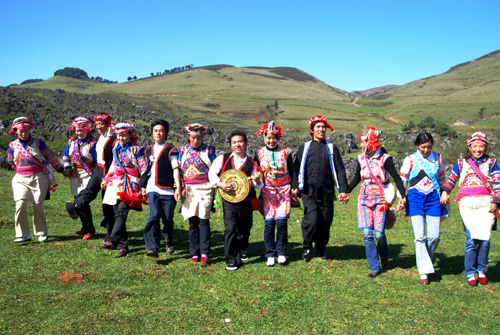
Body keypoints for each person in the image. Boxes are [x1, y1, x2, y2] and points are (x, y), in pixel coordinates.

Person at [441, 132, 500, 286]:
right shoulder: (462, 163)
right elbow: (451, 180)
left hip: (486, 204)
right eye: (475, 146)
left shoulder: (492, 163)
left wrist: (496, 201)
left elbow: (497, 183)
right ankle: (470, 273)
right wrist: (445, 191)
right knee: (471, 240)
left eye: (481, 146)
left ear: (485, 147)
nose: (478, 149)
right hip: (467, 204)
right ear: (470, 147)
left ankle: (481, 270)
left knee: (485, 240)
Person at [347, 126, 406, 278]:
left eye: (364, 142)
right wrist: (345, 191)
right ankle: (374, 266)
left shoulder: (386, 159)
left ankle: (384, 254)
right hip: (364, 199)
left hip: (381, 200)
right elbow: (356, 178)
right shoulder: (361, 158)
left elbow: (396, 178)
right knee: (367, 233)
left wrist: (402, 196)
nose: (361, 145)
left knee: (379, 234)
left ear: (372, 142)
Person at [291, 115, 350, 262]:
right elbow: (296, 167)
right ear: (312, 129)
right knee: (311, 220)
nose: (321, 129)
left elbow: (340, 169)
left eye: (323, 127)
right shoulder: (304, 148)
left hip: (327, 192)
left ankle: (321, 247)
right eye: (318, 126)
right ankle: (307, 247)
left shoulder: (331, 148)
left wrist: (343, 189)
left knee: (325, 221)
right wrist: (294, 186)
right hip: (309, 191)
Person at [208, 130, 263, 270]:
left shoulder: (252, 162)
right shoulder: (223, 159)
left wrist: (257, 180)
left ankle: (242, 247)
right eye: (234, 142)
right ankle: (232, 259)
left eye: (240, 141)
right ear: (231, 145)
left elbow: (258, 184)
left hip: (246, 201)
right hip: (229, 200)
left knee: (245, 226)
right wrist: (219, 184)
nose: (237, 144)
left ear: (245, 144)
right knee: (231, 228)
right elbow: (212, 173)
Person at [399, 132, 447, 285]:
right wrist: (402, 197)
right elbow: (403, 180)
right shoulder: (410, 160)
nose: (426, 150)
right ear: (417, 146)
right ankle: (424, 271)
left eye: (429, 147)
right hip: (415, 200)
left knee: (434, 236)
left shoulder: (438, 159)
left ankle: (427, 259)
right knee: (419, 237)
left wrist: (445, 192)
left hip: (434, 199)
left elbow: (442, 178)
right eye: (423, 147)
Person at [7, 116, 64, 242]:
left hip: (38, 176)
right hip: (20, 178)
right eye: (20, 131)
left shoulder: (38, 142)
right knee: (20, 204)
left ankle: (41, 232)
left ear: (29, 131)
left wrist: (59, 168)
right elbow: (11, 161)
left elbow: (49, 155)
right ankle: (23, 234)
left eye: (26, 131)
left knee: (38, 205)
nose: (23, 134)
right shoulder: (12, 145)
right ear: (16, 132)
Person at [65, 113, 117, 238]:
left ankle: (111, 233)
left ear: (107, 124)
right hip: (98, 170)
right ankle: (76, 209)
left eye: (101, 124)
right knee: (87, 192)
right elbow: (66, 154)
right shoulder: (100, 138)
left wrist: (109, 174)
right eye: (97, 124)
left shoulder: (113, 139)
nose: (99, 126)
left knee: (107, 204)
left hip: (108, 171)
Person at [101, 122, 148, 256]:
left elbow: (144, 169)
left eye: (124, 135)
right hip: (117, 182)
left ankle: (111, 239)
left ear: (130, 134)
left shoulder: (137, 150)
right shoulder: (116, 148)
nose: (121, 138)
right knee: (117, 213)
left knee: (122, 211)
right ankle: (123, 246)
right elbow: (114, 165)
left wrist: (143, 185)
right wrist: (107, 178)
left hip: (131, 184)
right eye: (119, 135)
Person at [140, 120, 181, 258]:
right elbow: (145, 170)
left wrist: (178, 187)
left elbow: (175, 169)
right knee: (154, 216)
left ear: (166, 133)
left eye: (161, 130)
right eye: (156, 130)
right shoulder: (147, 151)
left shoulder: (171, 150)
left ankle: (169, 239)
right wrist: (143, 186)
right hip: (153, 189)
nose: (158, 133)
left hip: (168, 189)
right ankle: (152, 247)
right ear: (152, 133)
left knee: (167, 218)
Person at [255, 121, 294, 266]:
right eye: (268, 138)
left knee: (282, 222)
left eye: (274, 138)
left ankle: (282, 252)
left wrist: (294, 186)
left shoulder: (286, 151)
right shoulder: (258, 153)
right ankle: (270, 253)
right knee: (269, 224)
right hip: (268, 191)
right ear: (264, 137)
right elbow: (255, 172)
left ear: (278, 138)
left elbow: (292, 170)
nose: (271, 141)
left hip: (284, 190)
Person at [179, 123, 216, 263]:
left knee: (204, 219)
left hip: (205, 188)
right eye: (193, 137)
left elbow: (214, 169)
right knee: (193, 221)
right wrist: (180, 186)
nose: (196, 140)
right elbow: (180, 170)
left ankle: (205, 252)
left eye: (199, 138)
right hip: (189, 189)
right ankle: (195, 252)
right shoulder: (182, 151)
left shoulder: (209, 150)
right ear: (189, 137)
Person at [62, 117, 97, 240]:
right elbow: (66, 156)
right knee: (77, 199)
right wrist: (67, 167)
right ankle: (84, 226)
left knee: (83, 202)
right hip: (75, 175)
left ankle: (90, 229)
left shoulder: (92, 144)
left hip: (88, 174)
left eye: (82, 130)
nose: (79, 133)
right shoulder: (72, 143)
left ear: (87, 130)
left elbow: (97, 161)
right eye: (77, 130)